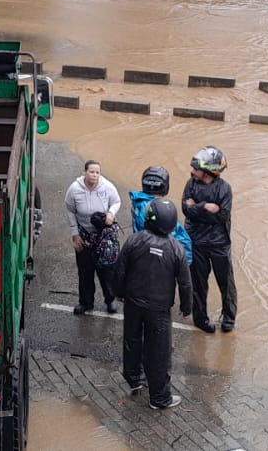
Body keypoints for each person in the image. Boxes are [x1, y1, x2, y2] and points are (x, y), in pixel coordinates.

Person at [118, 196, 193, 411]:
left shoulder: (134, 240)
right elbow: (185, 284)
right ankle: (159, 398)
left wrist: (119, 292)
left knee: (132, 340)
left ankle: (134, 378)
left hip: (133, 302)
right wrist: (186, 308)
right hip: (159, 309)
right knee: (159, 352)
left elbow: (120, 269)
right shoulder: (176, 249)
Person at [182, 145, 236, 334]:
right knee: (198, 284)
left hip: (220, 243)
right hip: (197, 243)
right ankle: (200, 319)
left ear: (206, 172)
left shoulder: (224, 189)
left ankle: (229, 318)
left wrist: (196, 207)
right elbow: (185, 209)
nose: (191, 171)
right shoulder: (191, 184)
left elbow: (221, 216)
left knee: (226, 283)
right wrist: (206, 206)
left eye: (195, 168)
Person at [64, 159, 121, 315]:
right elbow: (70, 211)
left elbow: (116, 202)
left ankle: (110, 299)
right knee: (84, 270)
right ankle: (86, 302)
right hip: (84, 234)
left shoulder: (108, 187)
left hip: (103, 234)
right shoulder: (74, 189)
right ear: (84, 172)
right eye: (91, 171)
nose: (94, 175)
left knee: (106, 270)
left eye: (97, 172)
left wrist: (111, 213)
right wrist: (75, 234)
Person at [129, 166, 192, 265]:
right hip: (160, 260)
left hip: (144, 254)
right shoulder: (161, 210)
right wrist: (186, 263)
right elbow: (179, 238)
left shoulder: (138, 202)